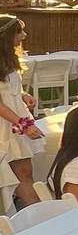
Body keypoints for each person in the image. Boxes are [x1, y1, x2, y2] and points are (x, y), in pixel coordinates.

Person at [0, 15, 43, 206]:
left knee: (23, 170)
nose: (23, 36)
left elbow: (8, 88)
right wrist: (24, 125)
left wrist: (23, 94)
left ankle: (28, 211)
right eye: (19, 32)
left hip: (17, 118)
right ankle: (37, 217)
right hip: (7, 124)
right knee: (21, 171)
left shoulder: (8, 59)